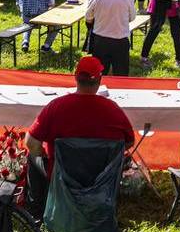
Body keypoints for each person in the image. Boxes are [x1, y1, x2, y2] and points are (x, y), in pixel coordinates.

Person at [25, 56, 136, 215]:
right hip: (101, 177)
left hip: (62, 175)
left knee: (32, 157)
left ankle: (37, 211)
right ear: (99, 80)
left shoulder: (56, 107)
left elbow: (31, 144)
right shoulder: (113, 110)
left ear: (76, 78)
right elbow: (129, 142)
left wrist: (45, 155)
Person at [85, 0, 136, 76]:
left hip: (101, 41)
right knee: (121, 76)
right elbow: (132, 17)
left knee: (99, 76)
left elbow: (88, 17)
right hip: (120, 41)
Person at [139, 0, 180, 69]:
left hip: (175, 2)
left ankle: (179, 60)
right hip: (160, 0)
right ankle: (144, 58)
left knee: (176, 33)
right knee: (153, 31)